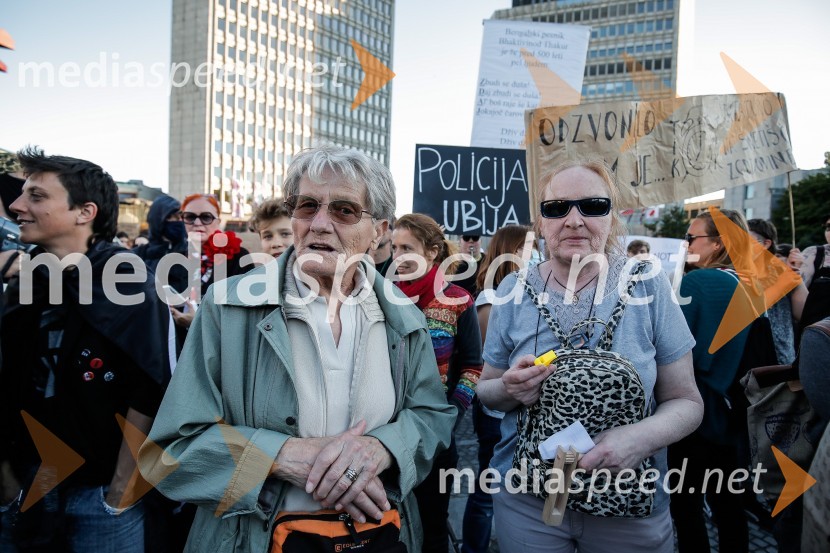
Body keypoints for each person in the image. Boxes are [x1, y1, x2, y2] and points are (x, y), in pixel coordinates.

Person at [138, 145, 455, 553]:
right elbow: (172, 452)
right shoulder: (228, 307)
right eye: (307, 206)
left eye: (343, 210)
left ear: (379, 230)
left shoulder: (404, 318)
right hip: (251, 539)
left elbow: (431, 418)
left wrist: (382, 449)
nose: (320, 223)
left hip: (377, 536)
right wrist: (283, 456)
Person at [476, 159, 702, 553]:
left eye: (593, 205)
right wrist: (509, 388)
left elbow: (687, 401)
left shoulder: (649, 285)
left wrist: (638, 439)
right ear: (541, 221)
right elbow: (487, 392)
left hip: (629, 502)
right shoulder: (513, 288)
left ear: (613, 217)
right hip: (530, 497)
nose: (574, 220)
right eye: (557, 207)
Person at [0, 147, 173, 552]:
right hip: (24, 488)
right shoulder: (24, 282)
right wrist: (6, 485)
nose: (17, 205)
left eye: (37, 196)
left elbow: (151, 391)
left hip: (98, 499)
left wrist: (118, 495)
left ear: (85, 211)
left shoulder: (130, 285)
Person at [391, 213, 483, 553]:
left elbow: (473, 367)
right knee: (389, 528)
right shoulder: (380, 298)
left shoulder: (457, 299)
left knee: (432, 530)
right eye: (394, 247)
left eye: (407, 249)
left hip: (437, 441)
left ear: (431, 252)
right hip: (386, 435)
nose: (398, 256)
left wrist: (450, 416)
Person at [669, 209, 758, 553]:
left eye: (692, 237)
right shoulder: (752, 281)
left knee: (687, 506)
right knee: (730, 507)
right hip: (739, 411)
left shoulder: (697, 283)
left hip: (698, 415)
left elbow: (674, 347)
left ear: (718, 243)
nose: (686, 243)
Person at [461, 224, 530, 553]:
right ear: (511, 251)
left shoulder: (523, 291)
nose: (534, 254)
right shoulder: (492, 297)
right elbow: (490, 356)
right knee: (488, 489)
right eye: (526, 248)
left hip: (517, 405)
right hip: (494, 409)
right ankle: (474, 547)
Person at [171, 193, 250, 329]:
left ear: (218, 222)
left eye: (206, 217)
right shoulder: (175, 259)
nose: (197, 223)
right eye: (190, 217)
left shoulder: (238, 256)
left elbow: (245, 310)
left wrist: (198, 322)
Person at [747, 218, 808, 364]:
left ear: (766, 244)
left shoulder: (782, 273)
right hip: (745, 360)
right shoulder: (733, 272)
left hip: (780, 359)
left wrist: (797, 279)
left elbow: (805, 314)